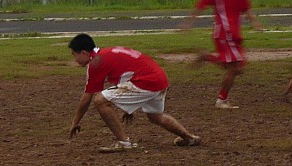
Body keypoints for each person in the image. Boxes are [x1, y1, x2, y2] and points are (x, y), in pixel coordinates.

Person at [67, 34, 200, 153]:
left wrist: (75, 122)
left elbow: (87, 96)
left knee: (100, 100)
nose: (75, 59)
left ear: (84, 52)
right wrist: (129, 108)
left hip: (146, 81)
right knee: (156, 117)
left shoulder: (96, 61)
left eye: (74, 54)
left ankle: (123, 142)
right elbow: (127, 74)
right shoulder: (108, 53)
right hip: (158, 78)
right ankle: (189, 138)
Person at [181, 0, 263, 109]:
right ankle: (221, 100)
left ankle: (206, 57)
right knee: (235, 68)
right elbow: (202, 4)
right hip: (224, 32)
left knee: (235, 67)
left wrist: (255, 22)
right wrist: (188, 22)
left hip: (235, 32)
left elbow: (245, 7)